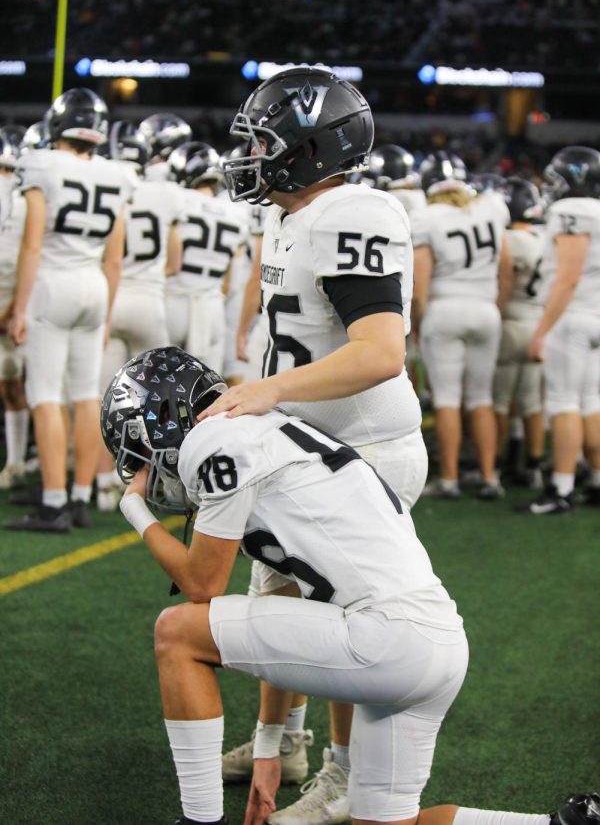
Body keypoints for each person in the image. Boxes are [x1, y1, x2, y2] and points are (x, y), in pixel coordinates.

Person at [104, 346, 598, 825]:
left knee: (177, 633)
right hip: (438, 645)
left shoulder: (212, 441)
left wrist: (134, 508)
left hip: (386, 639)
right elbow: (280, 607)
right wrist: (269, 746)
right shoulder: (269, 432)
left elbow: (201, 585)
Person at [209, 66, 427, 822]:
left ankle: (344, 777)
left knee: (339, 622)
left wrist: (266, 393)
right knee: (275, 593)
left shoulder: (354, 211)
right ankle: (281, 742)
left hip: (364, 451)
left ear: (312, 147)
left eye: (265, 140)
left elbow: (379, 351)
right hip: (308, 443)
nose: (251, 154)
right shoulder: (289, 212)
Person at [5, 87, 135, 533]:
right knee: (85, 396)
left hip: (52, 284)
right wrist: (106, 312)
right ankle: (80, 497)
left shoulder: (42, 164)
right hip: (94, 286)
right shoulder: (118, 174)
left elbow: (33, 242)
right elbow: (115, 257)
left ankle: (54, 502)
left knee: (44, 396)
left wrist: (19, 308)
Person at [411, 152, 511, 500]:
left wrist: (418, 323)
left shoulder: (426, 217)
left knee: (448, 400)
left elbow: (419, 286)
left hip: (445, 309)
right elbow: (506, 268)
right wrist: (493, 305)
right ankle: (489, 476)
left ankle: (451, 479)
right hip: (485, 308)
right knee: (481, 398)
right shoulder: (491, 209)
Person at [95, 121, 184, 510]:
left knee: (107, 401)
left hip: (111, 300)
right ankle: (170, 484)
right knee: (160, 403)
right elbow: (175, 259)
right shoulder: (165, 194)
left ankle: (103, 485)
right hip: (150, 302)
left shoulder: (105, 183)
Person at [526, 146, 600, 513]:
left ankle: (562, 489)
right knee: (590, 402)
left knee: (564, 403)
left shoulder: (571, 211)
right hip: (595, 315)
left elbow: (568, 277)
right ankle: (596, 481)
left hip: (571, 316)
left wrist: (542, 329)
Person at [165, 141, 250, 375]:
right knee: (203, 394)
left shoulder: (176, 199)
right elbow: (231, 280)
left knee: (153, 386)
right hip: (212, 307)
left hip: (173, 300)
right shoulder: (236, 212)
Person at [492, 178, 546, 489]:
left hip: (511, 321)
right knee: (531, 403)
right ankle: (535, 467)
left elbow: (504, 281)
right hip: (537, 320)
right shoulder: (545, 236)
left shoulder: (507, 239)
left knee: (499, 401)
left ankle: (498, 466)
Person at [0, 130, 29, 489]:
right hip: (19, 299)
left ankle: (19, 461)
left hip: (19, 300)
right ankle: (17, 461)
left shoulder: (24, 199)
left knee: (18, 386)